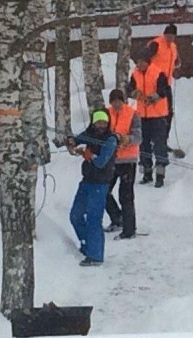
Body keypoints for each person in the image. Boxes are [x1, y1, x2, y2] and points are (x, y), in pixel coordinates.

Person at [67, 110, 118, 266]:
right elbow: (78, 139)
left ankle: (95, 255)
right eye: (98, 122)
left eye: (104, 122)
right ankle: (87, 245)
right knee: (75, 215)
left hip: (100, 183)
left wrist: (88, 154)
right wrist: (71, 142)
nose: (101, 125)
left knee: (93, 219)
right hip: (87, 181)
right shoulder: (90, 133)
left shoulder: (110, 139)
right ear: (93, 123)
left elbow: (101, 161)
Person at [126, 53, 170, 188]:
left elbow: (165, 90)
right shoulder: (135, 74)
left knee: (159, 145)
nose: (139, 65)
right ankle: (147, 172)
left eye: (142, 62)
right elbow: (130, 89)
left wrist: (155, 96)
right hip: (142, 115)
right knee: (143, 145)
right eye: (138, 62)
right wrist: (134, 93)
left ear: (148, 62)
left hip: (158, 115)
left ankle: (160, 174)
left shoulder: (158, 73)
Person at [104, 89, 142, 239]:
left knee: (125, 196)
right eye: (114, 101)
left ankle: (129, 229)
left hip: (128, 160)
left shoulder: (133, 114)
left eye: (119, 101)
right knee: (104, 191)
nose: (116, 104)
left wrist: (127, 139)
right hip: (111, 160)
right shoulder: (106, 113)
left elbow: (138, 137)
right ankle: (117, 218)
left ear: (123, 101)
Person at [146, 23, 181, 143]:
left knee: (168, 113)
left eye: (172, 36)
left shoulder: (173, 47)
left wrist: (175, 68)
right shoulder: (156, 44)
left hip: (166, 85)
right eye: (168, 35)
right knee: (154, 113)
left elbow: (176, 61)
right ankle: (151, 140)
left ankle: (162, 140)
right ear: (164, 34)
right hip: (154, 84)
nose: (170, 38)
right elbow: (144, 59)